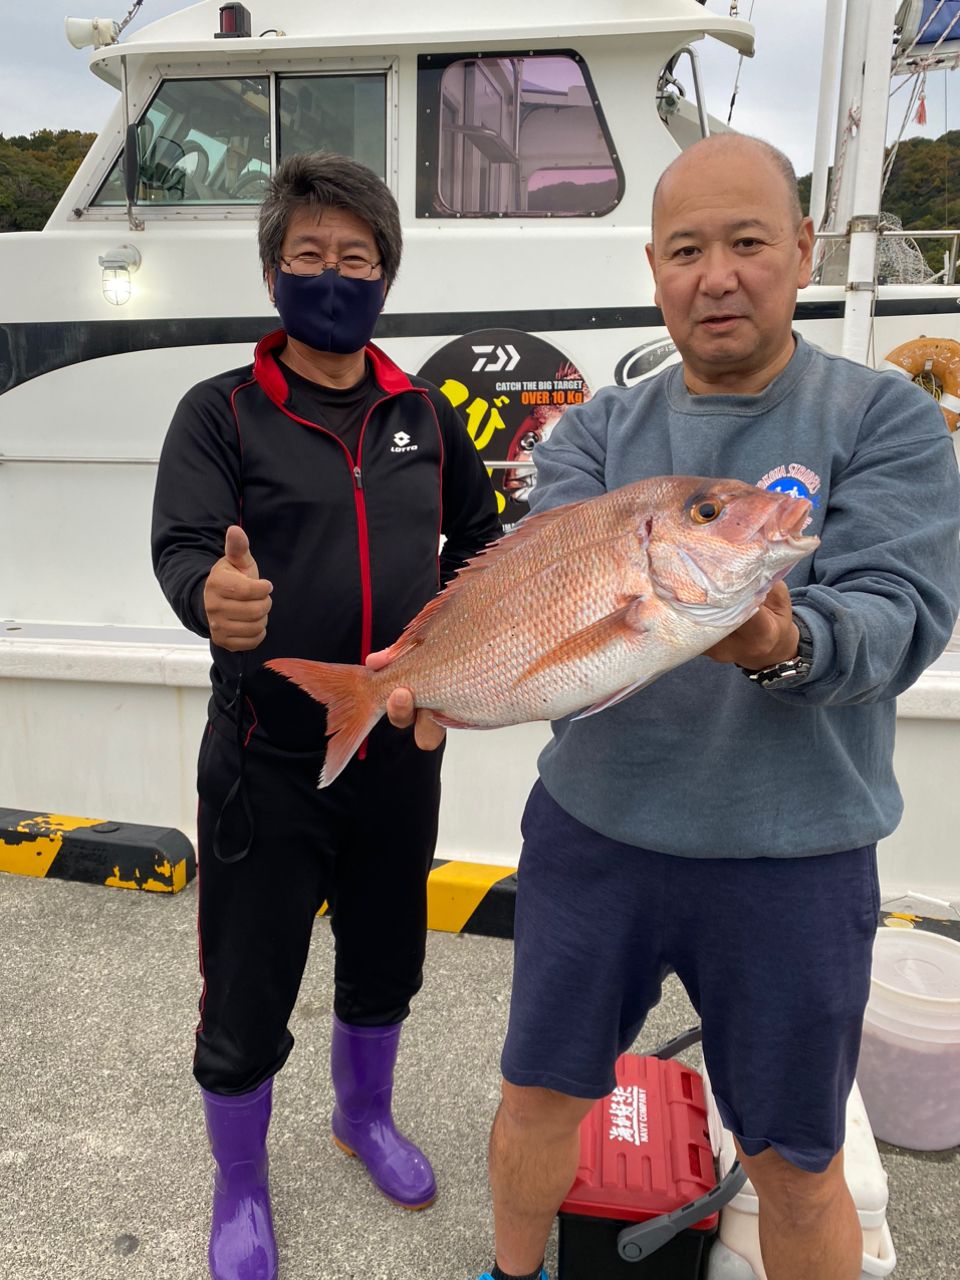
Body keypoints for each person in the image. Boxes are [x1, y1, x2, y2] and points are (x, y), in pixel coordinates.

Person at [385, 133, 960, 1280]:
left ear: (800, 250)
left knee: (797, 1156)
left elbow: (905, 614)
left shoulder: (881, 418)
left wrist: (788, 640)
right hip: (596, 840)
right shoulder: (599, 432)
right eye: (688, 248)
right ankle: (515, 1271)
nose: (719, 273)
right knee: (538, 1097)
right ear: (655, 266)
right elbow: (535, 607)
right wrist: (436, 674)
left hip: (796, 856)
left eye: (749, 242)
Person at [151, 152, 500, 1280]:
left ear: (387, 276)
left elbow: (482, 541)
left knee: (387, 954)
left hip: (398, 745)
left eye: (357, 257)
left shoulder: (426, 415)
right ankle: (241, 1179)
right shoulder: (222, 412)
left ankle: (364, 1115)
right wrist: (213, 594)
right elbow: (186, 545)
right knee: (247, 984)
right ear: (272, 274)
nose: (334, 275)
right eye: (310, 256)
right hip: (266, 755)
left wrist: (473, 647)